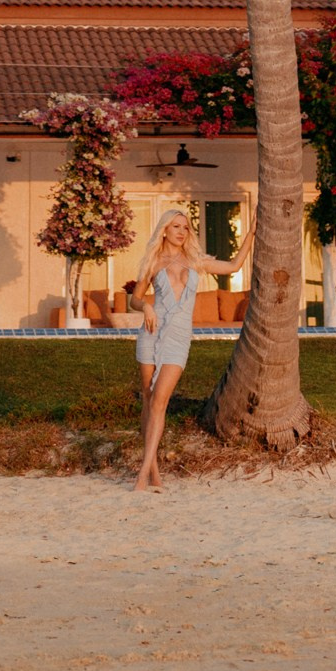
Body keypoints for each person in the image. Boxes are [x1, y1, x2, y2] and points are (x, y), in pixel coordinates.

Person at [132, 205, 250, 492]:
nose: (182, 232)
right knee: (149, 401)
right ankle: (154, 473)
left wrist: (253, 232)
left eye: (185, 227)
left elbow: (234, 266)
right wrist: (146, 306)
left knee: (160, 401)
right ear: (165, 230)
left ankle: (141, 476)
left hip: (178, 339)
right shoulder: (153, 261)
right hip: (150, 334)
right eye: (176, 227)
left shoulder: (196, 261)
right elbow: (134, 299)